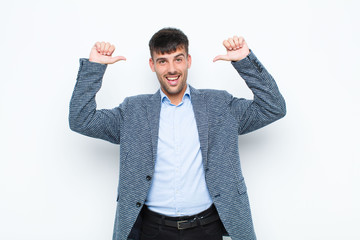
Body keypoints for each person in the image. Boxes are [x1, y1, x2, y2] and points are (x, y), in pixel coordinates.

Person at [69, 27, 286, 240]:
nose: (172, 69)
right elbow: (82, 120)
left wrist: (244, 61)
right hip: (152, 230)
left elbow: (273, 107)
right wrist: (94, 67)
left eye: (178, 59)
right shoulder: (132, 111)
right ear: (152, 65)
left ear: (189, 61)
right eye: (163, 61)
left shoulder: (220, 105)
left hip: (206, 229)